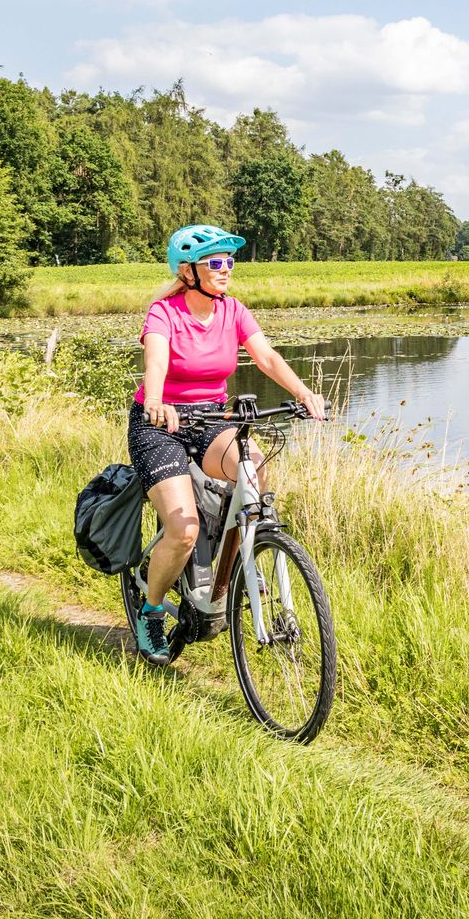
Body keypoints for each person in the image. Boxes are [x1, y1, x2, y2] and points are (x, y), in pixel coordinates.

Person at [127, 223, 327, 663]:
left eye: (229, 262)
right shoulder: (164, 313)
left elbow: (268, 357)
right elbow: (156, 360)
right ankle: (152, 611)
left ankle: (238, 561)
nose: (225, 269)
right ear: (187, 272)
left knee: (254, 470)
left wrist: (302, 393)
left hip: (212, 418)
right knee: (183, 531)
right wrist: (156, 401)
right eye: (215, 262)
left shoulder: (233, 310)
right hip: (160, 423)